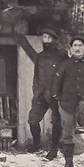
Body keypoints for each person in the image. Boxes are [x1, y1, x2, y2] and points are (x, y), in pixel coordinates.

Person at [51, 35, 84, 167]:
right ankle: (68, 163)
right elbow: (56, 83)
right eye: (75, 46)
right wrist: (58, 97)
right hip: (67, 103)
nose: (77, 48)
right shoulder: (65, 65)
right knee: (68, 133)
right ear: (71, 49)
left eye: (80, 46)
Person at [27, 27, 66, 159]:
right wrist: (35, 89)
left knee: (56, 122)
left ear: (54, 40)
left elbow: (65, 75)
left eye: (49, 38)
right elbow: (36, 75)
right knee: (32, 120)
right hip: (41, 94)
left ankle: (53, 149)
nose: (47, 40)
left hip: (55, 94)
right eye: (44, 37)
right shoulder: (39, 57)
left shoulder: (62, 56)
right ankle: (36, 144)